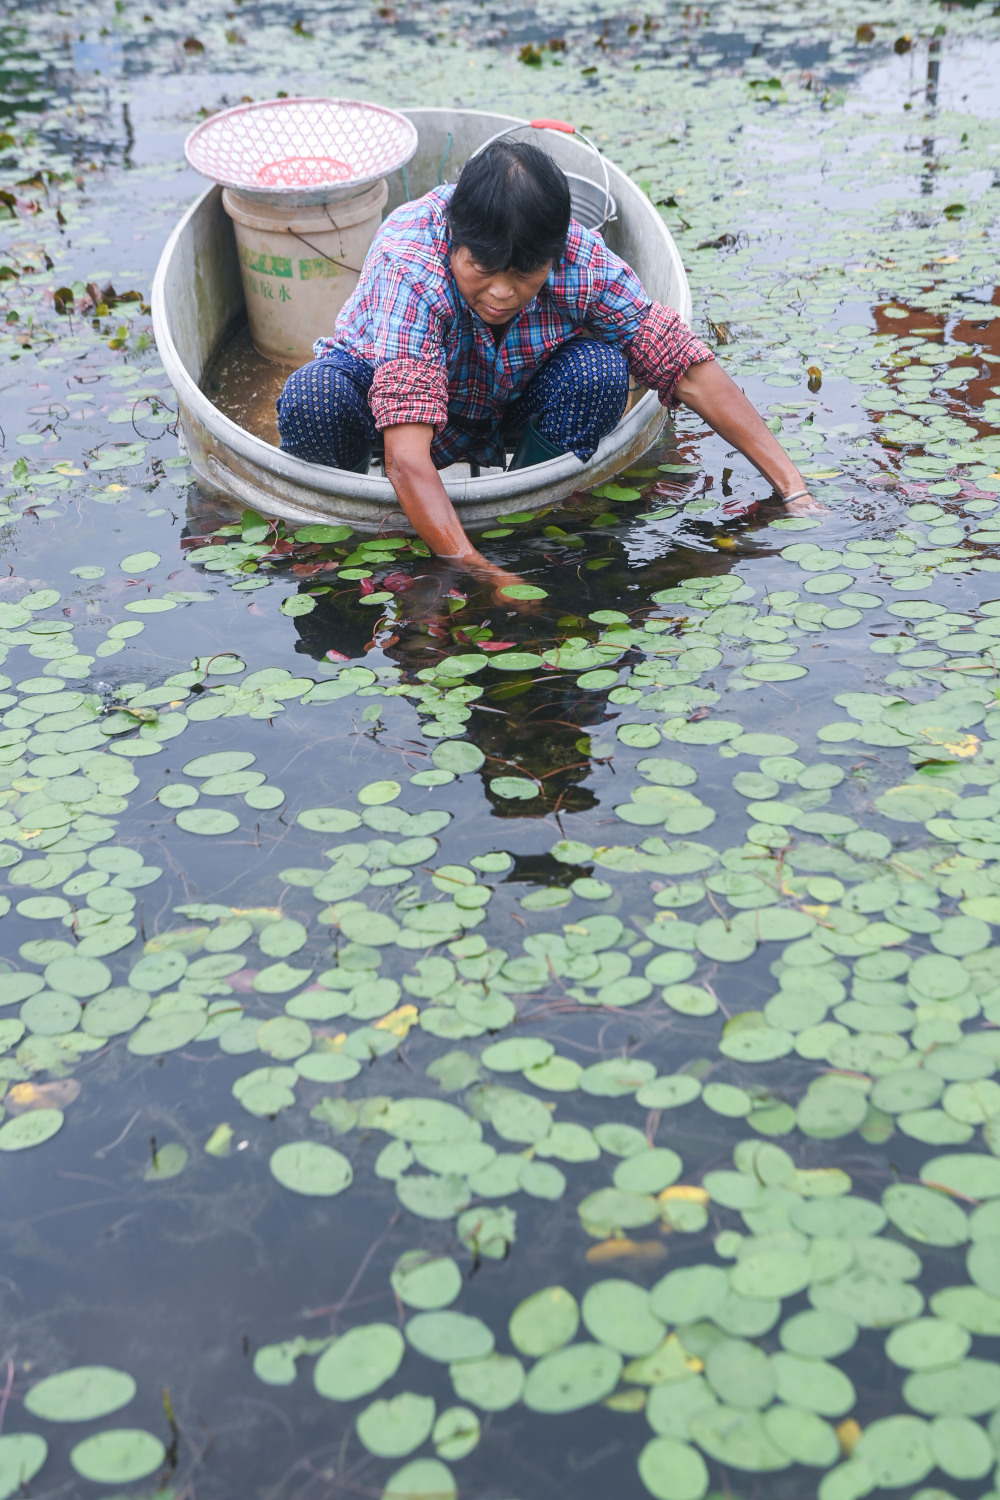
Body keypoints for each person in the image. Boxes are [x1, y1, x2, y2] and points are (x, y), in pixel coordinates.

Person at [276, 138, 819, 591]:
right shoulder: (411, 263)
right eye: (482, 268)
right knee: (312, 400)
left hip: (508, 396)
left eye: (526, 273)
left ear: (556, 251)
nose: (503, 293)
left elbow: (682, 363)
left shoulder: (578, 257)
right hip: (384, 403)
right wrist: (481, 574)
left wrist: (792, 487)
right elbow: (405, 459)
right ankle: (349, 538)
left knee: (601, 372)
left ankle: (522, 524)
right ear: (452, 239)